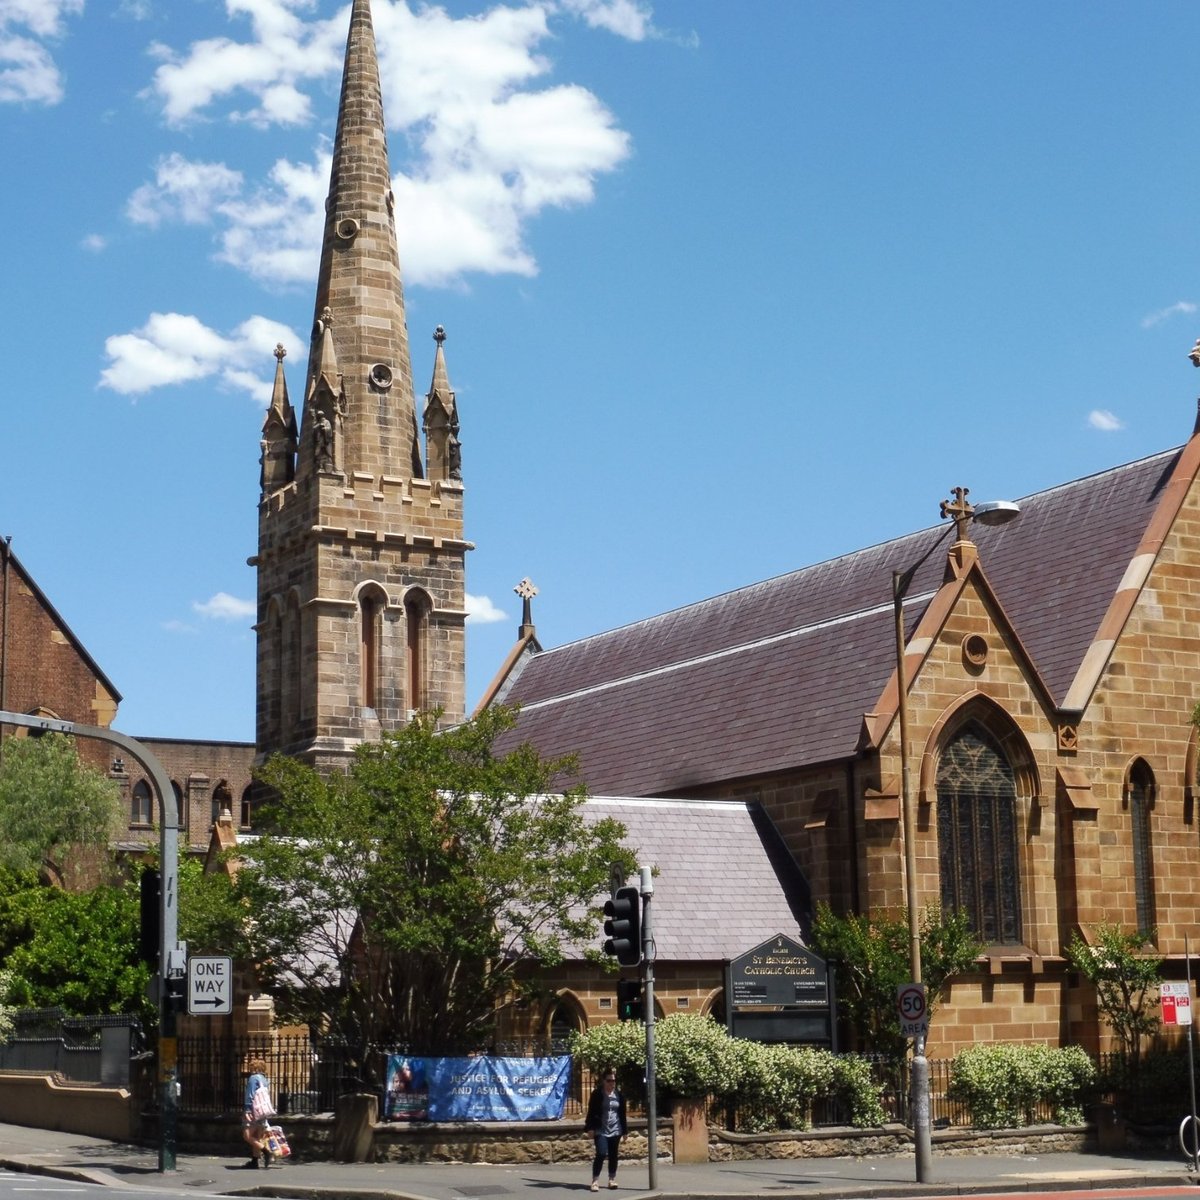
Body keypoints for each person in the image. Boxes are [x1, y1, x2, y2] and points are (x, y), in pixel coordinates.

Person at [584, 1069, 627, 1191]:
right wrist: (590, 1128)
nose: (612, 1083)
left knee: (613, 1155)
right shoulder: (597, 1094)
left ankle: (611, 1179)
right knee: (601, 1153)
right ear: (604, 1081)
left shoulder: (619, 1095)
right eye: (609, 1081)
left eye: (613, 1081)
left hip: (616, 1129)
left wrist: (625, 1131)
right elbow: (591, 1112)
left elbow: (622, 1114)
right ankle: (595, 1181)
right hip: (600, 1129)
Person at [243, 1057, 275, 1169]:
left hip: (253, 1110)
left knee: (248, 1136)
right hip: (262, 1112)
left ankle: (266, 1152)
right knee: (257, 1135)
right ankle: (254, 1161)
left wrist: (247, 1109)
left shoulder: (253, 1078)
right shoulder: (264, 1079)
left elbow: (250, 1094)